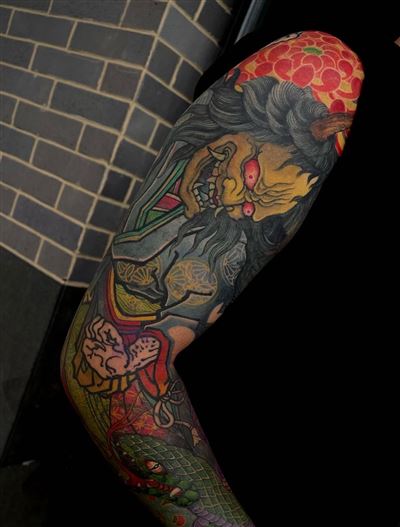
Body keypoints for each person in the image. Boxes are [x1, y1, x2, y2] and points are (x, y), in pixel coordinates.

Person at [61, 31, 363, 526]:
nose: (239, 203)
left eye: (256, 207)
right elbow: (111, 368)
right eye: (250, 179)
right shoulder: (323, 76)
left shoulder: (223, 236)